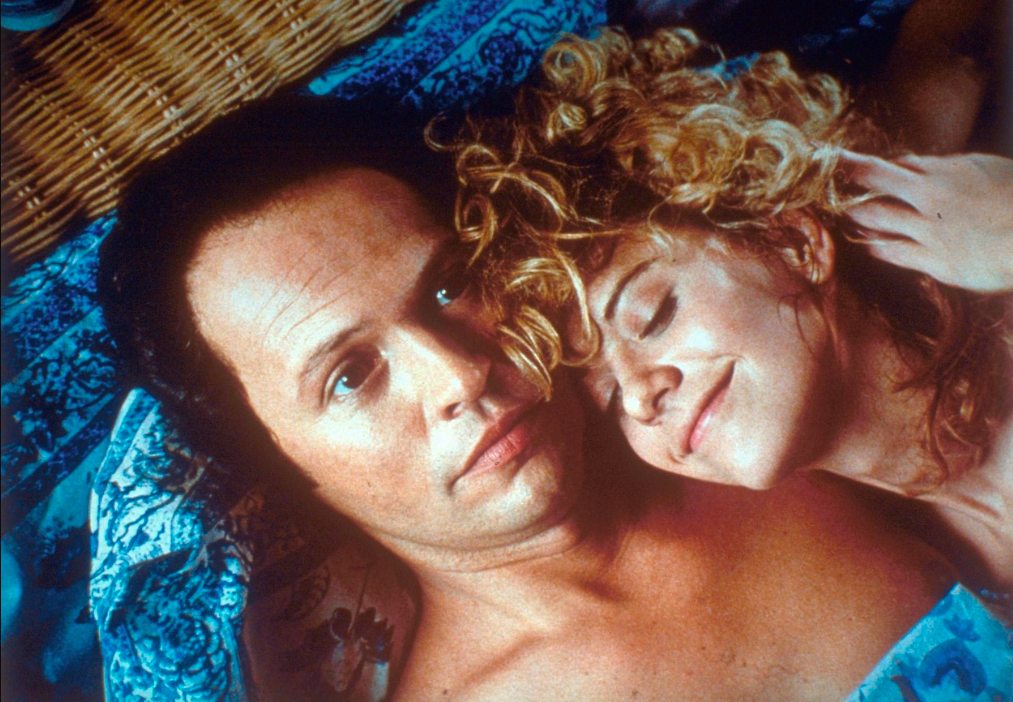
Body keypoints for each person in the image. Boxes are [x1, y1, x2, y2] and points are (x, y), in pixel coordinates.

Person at [98, 95, 961, 700]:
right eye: (351, 375)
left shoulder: (745, 401)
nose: (459, 375)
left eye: (451, 286)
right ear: (280, 464)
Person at [448, 27, 1013, 594]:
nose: (640, 398)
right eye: (610, 398)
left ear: (794, 241)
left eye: (654, 316)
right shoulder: (876, 577)